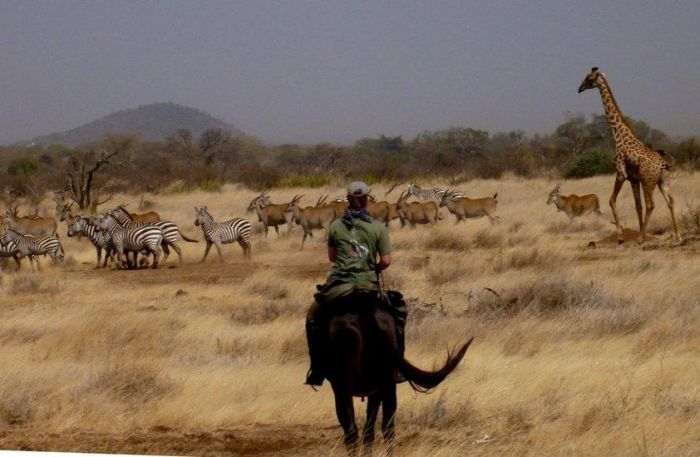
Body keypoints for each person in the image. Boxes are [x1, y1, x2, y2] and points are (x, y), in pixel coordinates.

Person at [305, 181, 404, 387]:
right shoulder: (378, 227)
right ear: (367, 200)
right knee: (397, 315)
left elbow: (332, 257)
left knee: (313, 317)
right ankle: (397, 367)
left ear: (348, 200)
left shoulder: (335, 226)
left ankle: (317, 369)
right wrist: (372, 268)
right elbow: (386, 261)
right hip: (368, 285)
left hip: (339, 285)